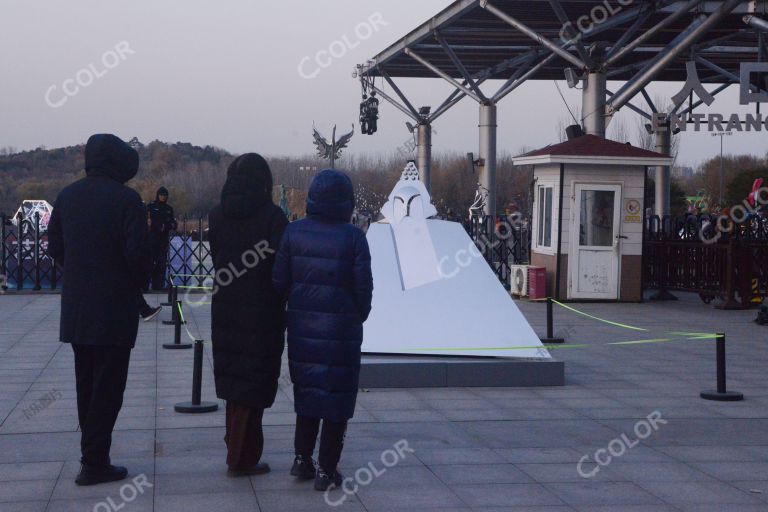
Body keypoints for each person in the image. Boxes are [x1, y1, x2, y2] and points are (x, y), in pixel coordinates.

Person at [47, 134, 150, 486]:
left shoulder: (68, 196)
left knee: (86, 383)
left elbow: (55, 246)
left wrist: (78, 271)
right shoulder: (127, 200)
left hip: (78, 308)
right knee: (108, 386)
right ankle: (94, 461)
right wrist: (132, 284)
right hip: (114, 310)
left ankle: (92, 454)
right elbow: (138, 257)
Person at [273, 169, 373, 491]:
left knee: (308, 394)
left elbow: (279, 282)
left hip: (302, 329)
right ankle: (327, 470)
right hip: (341, 330)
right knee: (337, 400)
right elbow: (364, 290)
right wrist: (357, 316)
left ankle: (302, 459)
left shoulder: (293, 233)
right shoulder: (354, 237)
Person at [208, 154, 288, 477]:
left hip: (225, 303)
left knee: (233, 382)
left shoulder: (216, 216)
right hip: (262, 310)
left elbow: (217, 260)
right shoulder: (273, 217)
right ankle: (241, 457)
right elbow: (282, 267)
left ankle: (236, 447)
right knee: (253, 383)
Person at [147, 186, 177, 291]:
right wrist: (158, 225)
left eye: (165, 195)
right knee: (149, 263)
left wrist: (165, 226)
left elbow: (173, 224)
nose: (163, 197)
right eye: (161, 195)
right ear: (157, 195)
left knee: (161, 264)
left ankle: (158, 285)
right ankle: (146, 285)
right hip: (151, 240)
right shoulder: (151, 206)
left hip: (163, 240)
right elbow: (148, 221)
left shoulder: (169, 209)